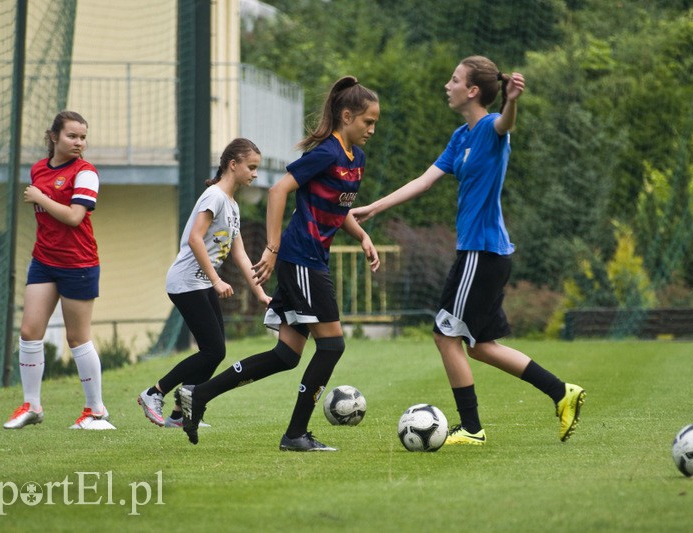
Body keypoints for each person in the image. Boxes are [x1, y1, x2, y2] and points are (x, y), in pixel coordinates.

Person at [351, 56, 586, 445]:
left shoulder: (492, 130)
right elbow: (424, 182)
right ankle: (562, 393)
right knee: (479, 347)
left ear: (473, 90)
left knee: (446, 336)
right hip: (482, 255)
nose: (448, 84)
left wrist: (511, 101)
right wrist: (375, 207)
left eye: (455, 79)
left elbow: (506, 122)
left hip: (482, 253)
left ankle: (472, 429)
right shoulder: (460, 136)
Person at [177, 76, 381, 451]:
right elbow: (278, 190)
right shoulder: (326, 152)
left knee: (286, 355)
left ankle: (200, 394)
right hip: (301, 259)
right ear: (347, 116)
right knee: (333, 346)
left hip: (311, 261)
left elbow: (339, 207)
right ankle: (295, 434)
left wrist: (362, 236)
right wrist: (271, 248)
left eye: (374, 123)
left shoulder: (357, 159)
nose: (371, 129)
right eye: (367, 121)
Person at [137, 138, 271, 427]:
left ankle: (179, 414)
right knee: (213, 350)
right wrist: (216, 279)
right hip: (186, 281)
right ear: (232, 164)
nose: (255, 174)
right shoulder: (215, 197)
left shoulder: (232, 206)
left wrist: (261, 295)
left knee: (214, 352)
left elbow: (241, 255)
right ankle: (153, 393)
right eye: (251, 167)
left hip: (201, 283)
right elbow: (195, 238)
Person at [3, 110, 115, 430]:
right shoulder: (38, 168)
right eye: (72, 136)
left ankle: (95, 411)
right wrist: (41, 192)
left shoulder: (86, 172)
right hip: (43, 261)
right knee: (29, 332)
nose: (79, 142)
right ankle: (32, 406)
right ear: (54, 137)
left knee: (77, 338)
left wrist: (40, 196)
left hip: (78, 264)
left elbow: (74, 217)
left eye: (82, 137)